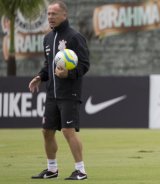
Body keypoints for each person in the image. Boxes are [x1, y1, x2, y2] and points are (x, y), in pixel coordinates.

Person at [29, 0, 90, 180]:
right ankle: (52, 169)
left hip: (69, 93)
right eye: (48, 14)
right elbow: (49, 66)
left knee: (67, 130)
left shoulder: (74, 37)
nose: (50, 17)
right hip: (51, 94)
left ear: (64, 15)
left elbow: (85, 65)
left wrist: (68, 74)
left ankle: (81, 170)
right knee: (47, 131)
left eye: (54, 14)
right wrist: (40, 77)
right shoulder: (47, 38)